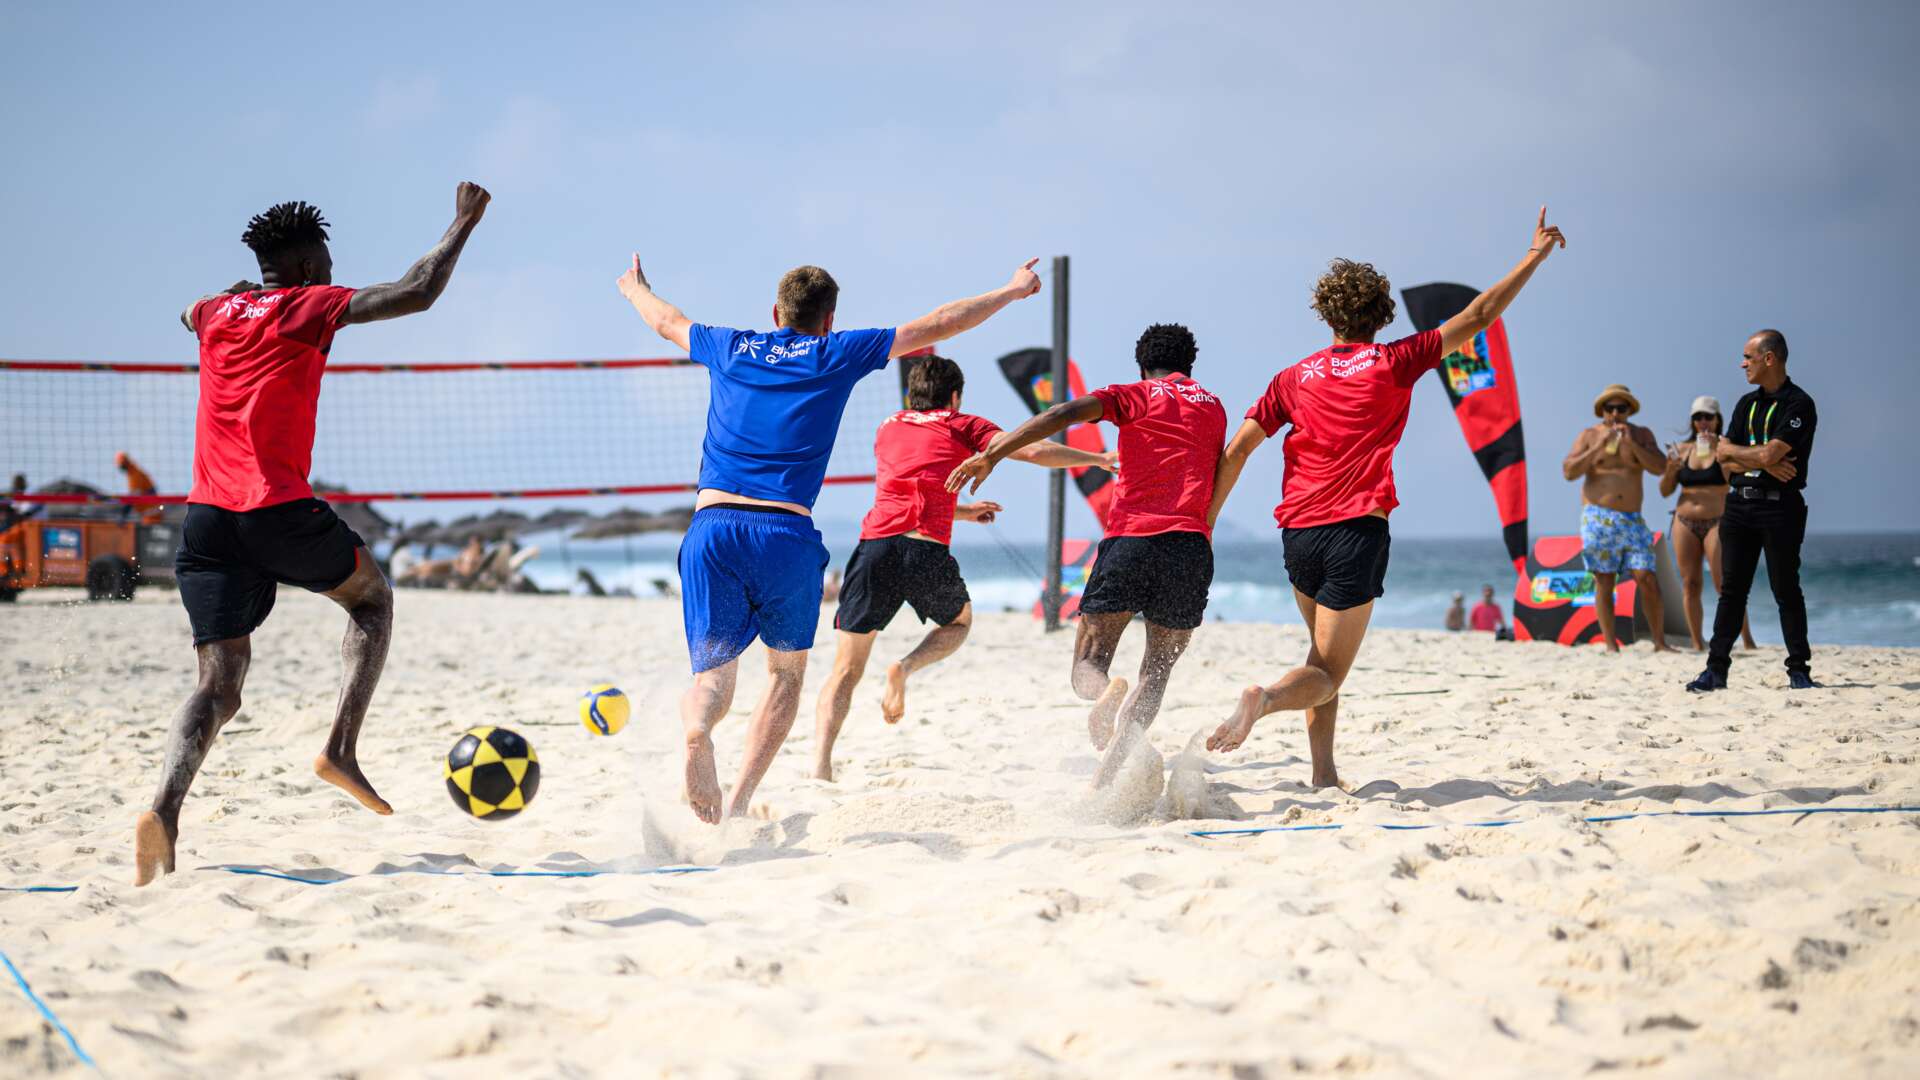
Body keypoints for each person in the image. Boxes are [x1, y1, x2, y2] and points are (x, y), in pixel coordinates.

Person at [134, 181, 490, 886]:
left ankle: (164, 810)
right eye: (324, 265)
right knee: (372, 600)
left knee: (218, 686)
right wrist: (462, 223)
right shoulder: (307, 306)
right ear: (303, 270)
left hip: (205, 521)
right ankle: (341, 748)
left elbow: (186, 310)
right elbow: (417, 290)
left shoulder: (211, 312)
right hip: (274, 507)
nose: (332, 274)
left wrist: (239, 293)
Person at [619, 254, 1043, 822]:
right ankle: (738, 805)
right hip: (784, 533)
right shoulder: (836, 351)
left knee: (712, 678)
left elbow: (666, 320)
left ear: (776, 313)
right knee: (785, 676)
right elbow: (941, 323)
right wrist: (1011, 290)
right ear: (829, 319)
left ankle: (698, 729)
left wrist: (635, 289)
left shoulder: (730, 346)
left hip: (712, 529)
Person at [1202, 207, 1567, 786]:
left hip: (1298, 534)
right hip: (1355, 533)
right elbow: (1480, 314)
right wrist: (1534, 256)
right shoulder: (1396, 360)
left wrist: (1206, 522)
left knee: (1321, 659)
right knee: (1327, 675)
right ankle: (1264, 700)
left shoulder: (1292, 378)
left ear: (1328, 314)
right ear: (1381, 316)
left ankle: (1324, 774)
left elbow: (1237, 451)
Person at [948, 323, 1227, 787]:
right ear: (1190, 365)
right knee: (1155, 674)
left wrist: (994, 454)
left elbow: (1063, 412)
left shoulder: (1133, 394)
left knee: (1087, 664)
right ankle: (1107, 776)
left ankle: (1104, 692)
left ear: (1142, 367)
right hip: (1189, 548)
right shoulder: (1214, 406)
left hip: (1131, 541)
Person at [812, 355, 1111, 781]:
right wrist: (1096, 459)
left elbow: (911, 490)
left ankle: (821, 767)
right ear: (954, 398)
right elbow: (1034, 449)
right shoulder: (962, 424)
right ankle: (905, 667)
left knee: (845, 669)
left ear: (911, 396)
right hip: (925, 550)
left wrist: (965, 512)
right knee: (958, 623)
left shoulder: (888, 427)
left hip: (875, 547)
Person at [1688, 330, 1817, 692]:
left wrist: (1747, 455)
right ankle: (1715, 671)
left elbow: (1763, 453)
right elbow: (1722, 457)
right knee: (1731, 591)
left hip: (1780, 507)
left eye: (1748, 357)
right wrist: (1758, 458)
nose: (1742, 364)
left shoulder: (1799, 404)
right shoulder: (1746, 403)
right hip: (1739, 505)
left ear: (1769, 358)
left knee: (1785, 589)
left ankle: (1799, 670)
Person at [1560, 384, 1674, 652]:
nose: (1614, 414)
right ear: (1602, 411)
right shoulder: (1589, 435)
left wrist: (1631, 444)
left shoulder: (1641, 434)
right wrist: (1597, 448)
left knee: (1646, 576)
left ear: (1629, 410)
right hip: (1597, 515)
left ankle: (1659, 642)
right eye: (1609, 408)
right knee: (1604, 579)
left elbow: (1660, 467)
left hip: (1632, 518)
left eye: (1621, 408)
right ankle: (1611, 645)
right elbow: (1569, 471)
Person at [1658, 395, 1756, 652]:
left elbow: (1735, 480)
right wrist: (1671, 470)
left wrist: (1719, 452)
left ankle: (1747, 639)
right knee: (1690, 584)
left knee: (1724, 583)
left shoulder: (1726, 447)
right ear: (1692, 421)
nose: (1703, 422)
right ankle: (1696, 641)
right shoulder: (1682, 450)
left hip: (1717, 520)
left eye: (1708, 417)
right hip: (1684, 521)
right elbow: (1665, 490)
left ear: (1717, 419)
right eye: (1697, 417)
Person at [114, 451, 163, 525]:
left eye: (121, 464)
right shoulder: (133, 472)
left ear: (125, 463)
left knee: (147, 531)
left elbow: (133, 496)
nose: (120, 467)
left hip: (152, 513)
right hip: (150, 512)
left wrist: (123, 514)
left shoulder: (135, 474)